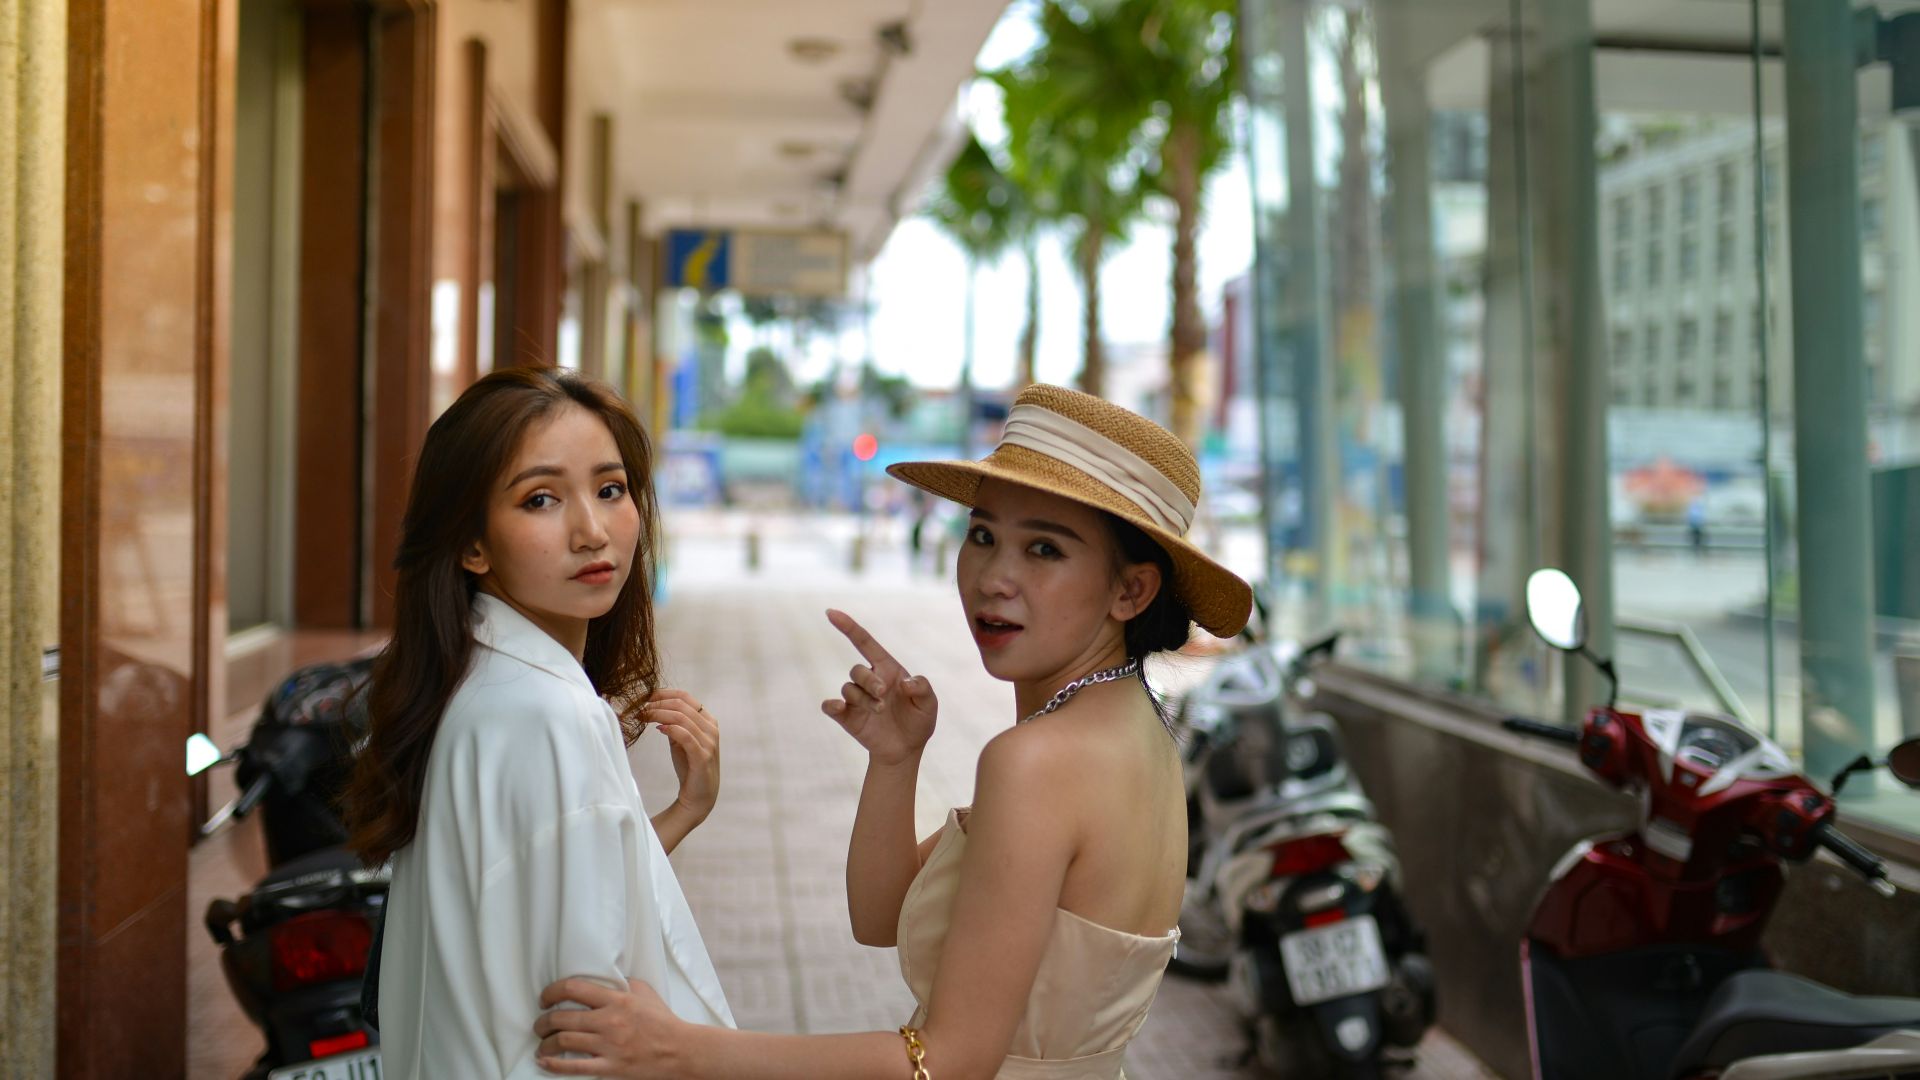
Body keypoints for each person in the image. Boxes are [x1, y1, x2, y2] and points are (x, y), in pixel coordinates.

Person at [529, 384, 1253, 1080]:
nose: (993, 577)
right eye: (982, 535)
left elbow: (950, 1061)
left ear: (1132, 589)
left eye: (1045, 550)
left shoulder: (1038, 760)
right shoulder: (1136, 730)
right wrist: (895, 760)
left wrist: (683, 1051)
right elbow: (881, 917)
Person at [342, 366, 733, 1078]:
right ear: (472, 544)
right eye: (541, 499)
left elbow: (537, 889)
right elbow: (590, 1027)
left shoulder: (473, 683)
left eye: (610, 489)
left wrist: (682, 813)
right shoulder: (550, 714)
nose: (592, 531)